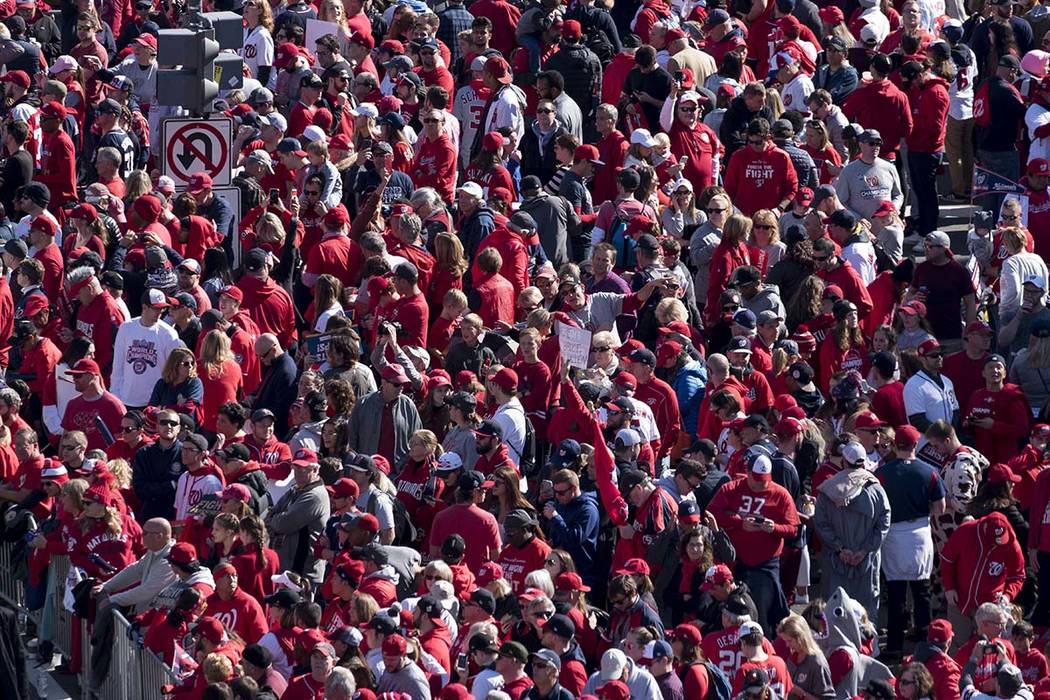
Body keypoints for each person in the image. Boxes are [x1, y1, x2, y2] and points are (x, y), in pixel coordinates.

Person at [874, 425, 946, 659]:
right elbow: (939, 508)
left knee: (895, 593)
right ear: (915, 445)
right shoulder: (929, 471)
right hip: (919, 532)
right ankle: (925, 644)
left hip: (893, 534)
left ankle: (894, 645)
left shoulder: (883, 472)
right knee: (921, 591)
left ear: (895, 445)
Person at [812, 441, 890, 621]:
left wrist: (840, 549)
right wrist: (864, 550)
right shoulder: (876, 489)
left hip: (836, 560)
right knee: (866, 613)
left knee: (835, 610)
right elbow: (884, 524)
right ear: (863, 462)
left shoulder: (827, 489)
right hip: (866, 561)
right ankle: (868, 648)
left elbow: (821, 524)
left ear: (843, 462)